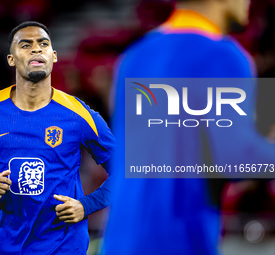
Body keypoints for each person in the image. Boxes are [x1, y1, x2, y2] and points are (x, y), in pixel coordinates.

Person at [104, 0, 275, 255]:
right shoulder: (223, 55)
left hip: (118, 241)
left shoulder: (132, 57)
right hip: (178, 242)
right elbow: (238, 159)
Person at [0, 21, 115, 255]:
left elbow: (123, 168)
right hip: (6, 245)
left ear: (54, 56)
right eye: (26, 44)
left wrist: (86, 206)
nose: (36, 49)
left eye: (43, 44)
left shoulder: (79, 114)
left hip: (65, 245)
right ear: (11, 59)